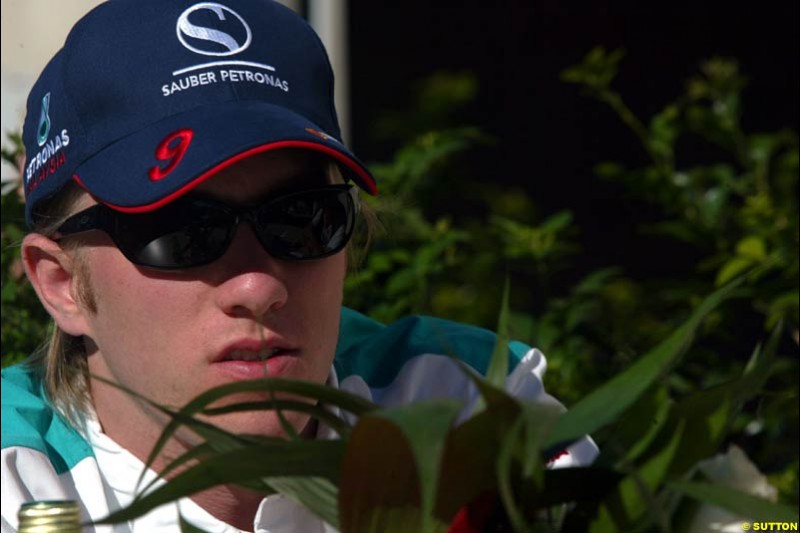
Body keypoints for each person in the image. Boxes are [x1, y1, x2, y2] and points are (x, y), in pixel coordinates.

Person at [0, 1, 598, 531]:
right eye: (184, 231)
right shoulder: (16, 481)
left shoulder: (465, 404)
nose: (259, 286)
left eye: (303, 217)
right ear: (61, 284)